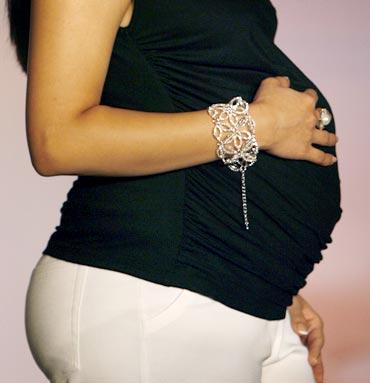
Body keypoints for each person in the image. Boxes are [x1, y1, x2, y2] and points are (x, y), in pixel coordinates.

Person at [6, 0, 342, 382]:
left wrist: (271, 274)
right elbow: (58, 139)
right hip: (151, 290)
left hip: (250, 294)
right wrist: (258, 123)